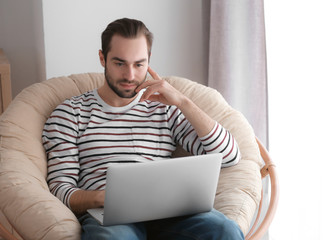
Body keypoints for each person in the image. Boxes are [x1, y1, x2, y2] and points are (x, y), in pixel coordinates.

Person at [42, 18, 244, 240]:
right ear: (102, 58)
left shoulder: (165, 109)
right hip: (112, 216)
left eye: (139, 65)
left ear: (149, 61)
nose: (130, 76)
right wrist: (103, 198)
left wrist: (183, 103)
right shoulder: (70, 113)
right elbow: (60, 189)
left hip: (170, 211)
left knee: (226, 230)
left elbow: (229, 157)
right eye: (120, 63)